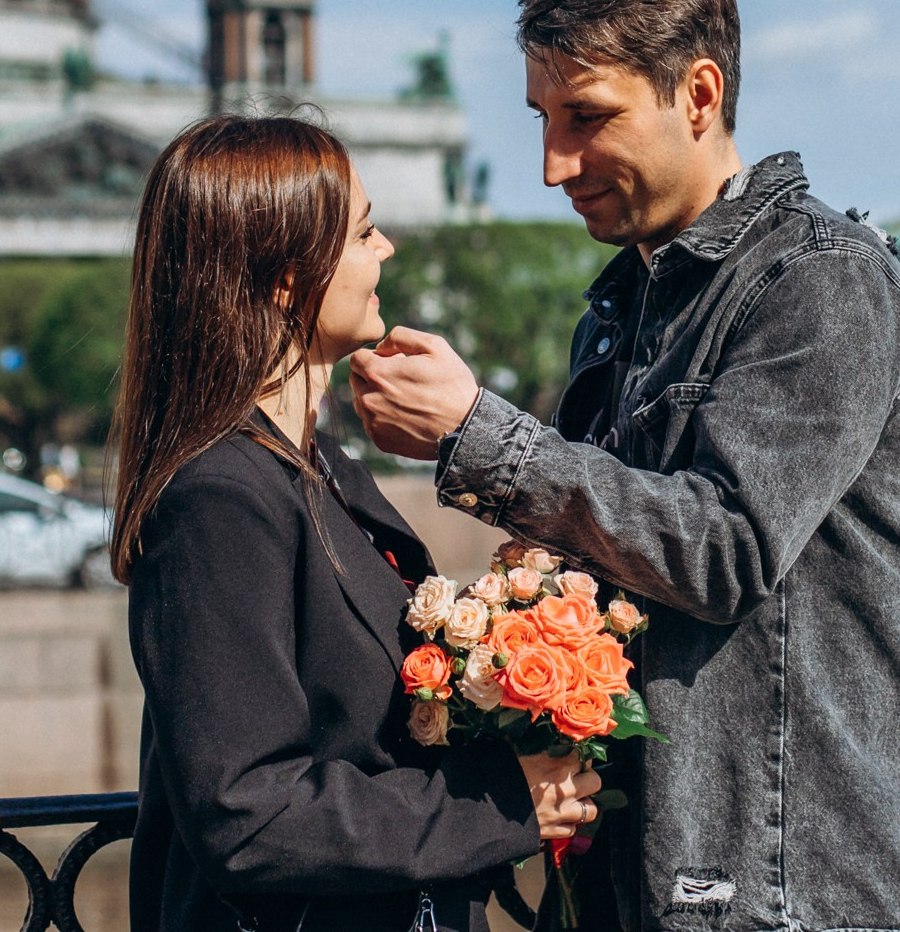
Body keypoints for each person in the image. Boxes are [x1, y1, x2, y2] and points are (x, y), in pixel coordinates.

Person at [352, 0, 900, 932]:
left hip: (788, 893)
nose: (553, 165)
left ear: (699, 95)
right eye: (544, 120)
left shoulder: (822, 280)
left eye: (587, 118)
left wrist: (477, 431)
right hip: (647, 878)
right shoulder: (622, 305)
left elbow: (726, 549)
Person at [114, 115, 602, 932]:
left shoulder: (321, 466)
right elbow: (248, 814)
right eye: (364, 233)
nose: (387, 250)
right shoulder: (220, 497)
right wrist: (500, 805)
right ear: (286, 278)